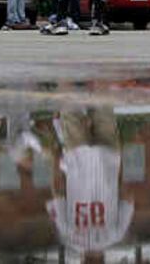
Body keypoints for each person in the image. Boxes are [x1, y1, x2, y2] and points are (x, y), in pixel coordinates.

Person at [47, 107, 134, 257]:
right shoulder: (70, 236)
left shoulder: (115, 235)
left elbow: (127, 197)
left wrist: (118, 166)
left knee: (103, 103)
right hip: (77, 158)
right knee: (69, 105)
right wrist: (56, 159)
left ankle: (99, 85)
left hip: (108, 160)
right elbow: (57, 192)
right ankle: (67, 84)